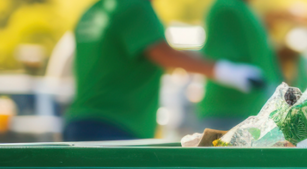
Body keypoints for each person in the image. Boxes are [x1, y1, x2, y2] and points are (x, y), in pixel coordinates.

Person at [65, 0, 265, 141]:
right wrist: (229, 72)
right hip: (115, 128)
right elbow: (163, 53)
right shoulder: (134, 6)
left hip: (81, 122)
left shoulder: (91, 11)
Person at [195, 0, 283, 133]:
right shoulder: (226, 7)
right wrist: (234, 74)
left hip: (250, 111)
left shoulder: (243, 8)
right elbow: (215, 58)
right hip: (229, 112)